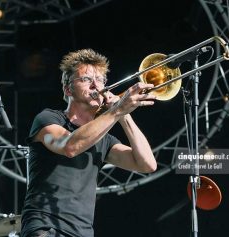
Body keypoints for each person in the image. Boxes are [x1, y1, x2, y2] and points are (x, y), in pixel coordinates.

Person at [21, 49, 157, 237]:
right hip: (46, 227)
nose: (96, 85)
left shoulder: (104, 139)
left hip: (82, 232)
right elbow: (70, 146)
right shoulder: (48, 119)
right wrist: (117, 111)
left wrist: (124, 115)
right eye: (86, 79)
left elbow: (147, 164)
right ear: (68, 89)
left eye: (101, 80)